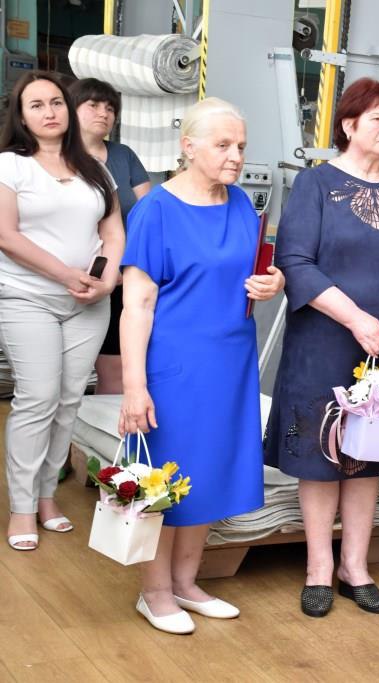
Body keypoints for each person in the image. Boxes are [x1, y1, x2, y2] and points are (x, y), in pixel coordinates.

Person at [264, 78, 379, 619]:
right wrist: (356, 318)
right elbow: (296, 261)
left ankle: (355, 567)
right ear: (348, 125)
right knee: (320, 455)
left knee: (370, 457)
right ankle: (319, 567)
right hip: (323, 338)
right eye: (378, 119)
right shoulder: (316, 184)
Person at [119, 97, 285, 633]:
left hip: (230, 363)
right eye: (223, 145)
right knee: (165, 479)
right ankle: (154, 591)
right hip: (176, 366)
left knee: (209, 472)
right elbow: (137, 306)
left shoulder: (239, 203)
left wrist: (274, 281)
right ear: (188, 147)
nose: (236, 155)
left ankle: (186, 582)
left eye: (241, 146)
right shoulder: (156, 211)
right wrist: (134, 386)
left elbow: (254, 270)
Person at [0, 71, 122, 551]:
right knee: (38, 398)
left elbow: (112, 232)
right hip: (26, 298)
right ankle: (22, 506)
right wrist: (66, 274)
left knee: (69, 399)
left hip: (88, 304)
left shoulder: (95, 169)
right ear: (21, 116)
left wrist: (105, 279)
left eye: (56, 102)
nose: (49, 111)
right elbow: (6, 235)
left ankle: (47, 496)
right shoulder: (11, 166)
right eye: (36, 105)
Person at [69, 77, 152, 394]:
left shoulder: (123, 156)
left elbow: (148, 215)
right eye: (93, 105)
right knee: (64, 375)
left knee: (115, 371)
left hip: (121, 277)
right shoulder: (54, 158)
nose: (103, 113)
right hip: (68, 276)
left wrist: (124, 270)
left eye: (110, 108)